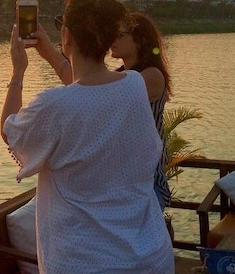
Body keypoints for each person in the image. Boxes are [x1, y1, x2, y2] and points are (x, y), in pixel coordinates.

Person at [1, 0, 174, 274]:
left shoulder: (54, 105)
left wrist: (18, 72)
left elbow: (11, 131)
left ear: (67, 35)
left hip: (84, 270)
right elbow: (92, 92)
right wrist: (51, 51)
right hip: (145, 261)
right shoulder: (135, 86)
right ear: (110, 38)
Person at [34, 11, 173, 210]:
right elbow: (84, 86)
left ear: (140, 41)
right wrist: (47, 49)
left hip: (146, 185)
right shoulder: (119, 76)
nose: (112, 40)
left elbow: (91, 91)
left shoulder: (152, 76)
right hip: (120, 184)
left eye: (120, 35)